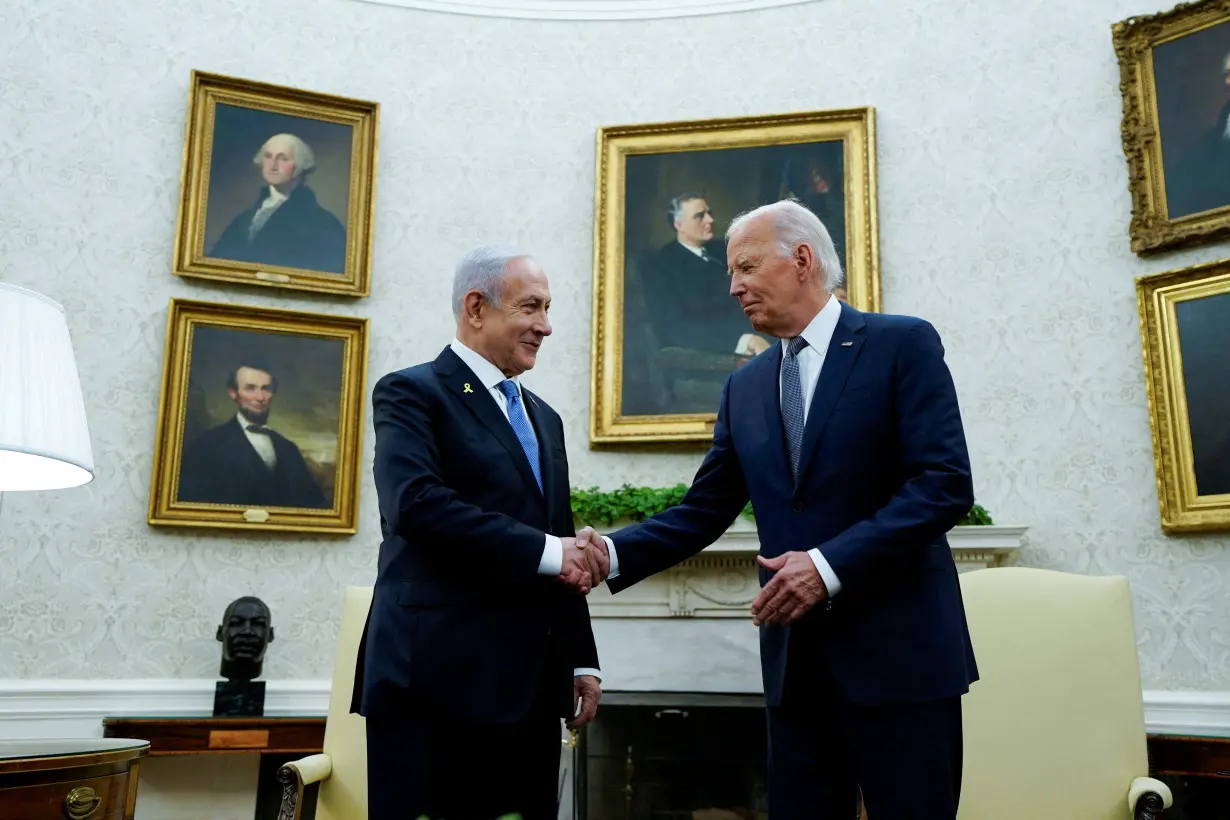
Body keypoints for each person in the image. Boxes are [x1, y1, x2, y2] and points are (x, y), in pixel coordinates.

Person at [581, 200, 978, 819]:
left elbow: (944, 484)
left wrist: (827, 566)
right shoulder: (746, 385)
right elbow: (703, 510)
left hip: (902, 660)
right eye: (730, 274)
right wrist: (611, 552)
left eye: (745, 267)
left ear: (801, 259)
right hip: (798, 672)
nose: (734, 286)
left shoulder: (902, 344)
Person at [351, 245, 608, 820]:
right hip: (434, 682)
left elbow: (560, 538)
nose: (546, 325)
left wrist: (579, 658)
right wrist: (549, 550)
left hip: (532, 688)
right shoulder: (411, 392)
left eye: (548, 308)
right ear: (476, 307)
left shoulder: (544, 417)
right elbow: (416, 504)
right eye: (531, 307)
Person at [177, 363, 329, 509]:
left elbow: (315, 506)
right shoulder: (207, 445)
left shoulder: (288, 449)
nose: (260, 397)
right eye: (250, 388)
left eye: (266, 389)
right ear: (233, 393)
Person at [208, 133, 347, 274]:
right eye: (268, 156)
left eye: (283, 159)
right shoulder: (245, 219)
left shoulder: (323, 223)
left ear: (300, 166)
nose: (273, 166)